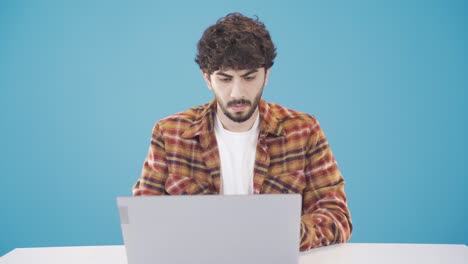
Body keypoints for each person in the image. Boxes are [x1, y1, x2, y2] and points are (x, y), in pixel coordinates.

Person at [132, 12, 352, 251]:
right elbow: (144, 220)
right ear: (207, 79)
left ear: (266, 75)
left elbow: (337, 216)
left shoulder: (303, 130)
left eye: (249, 77)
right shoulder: (169, 133)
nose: (237, 93)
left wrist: (282, 233)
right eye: (225, 79)